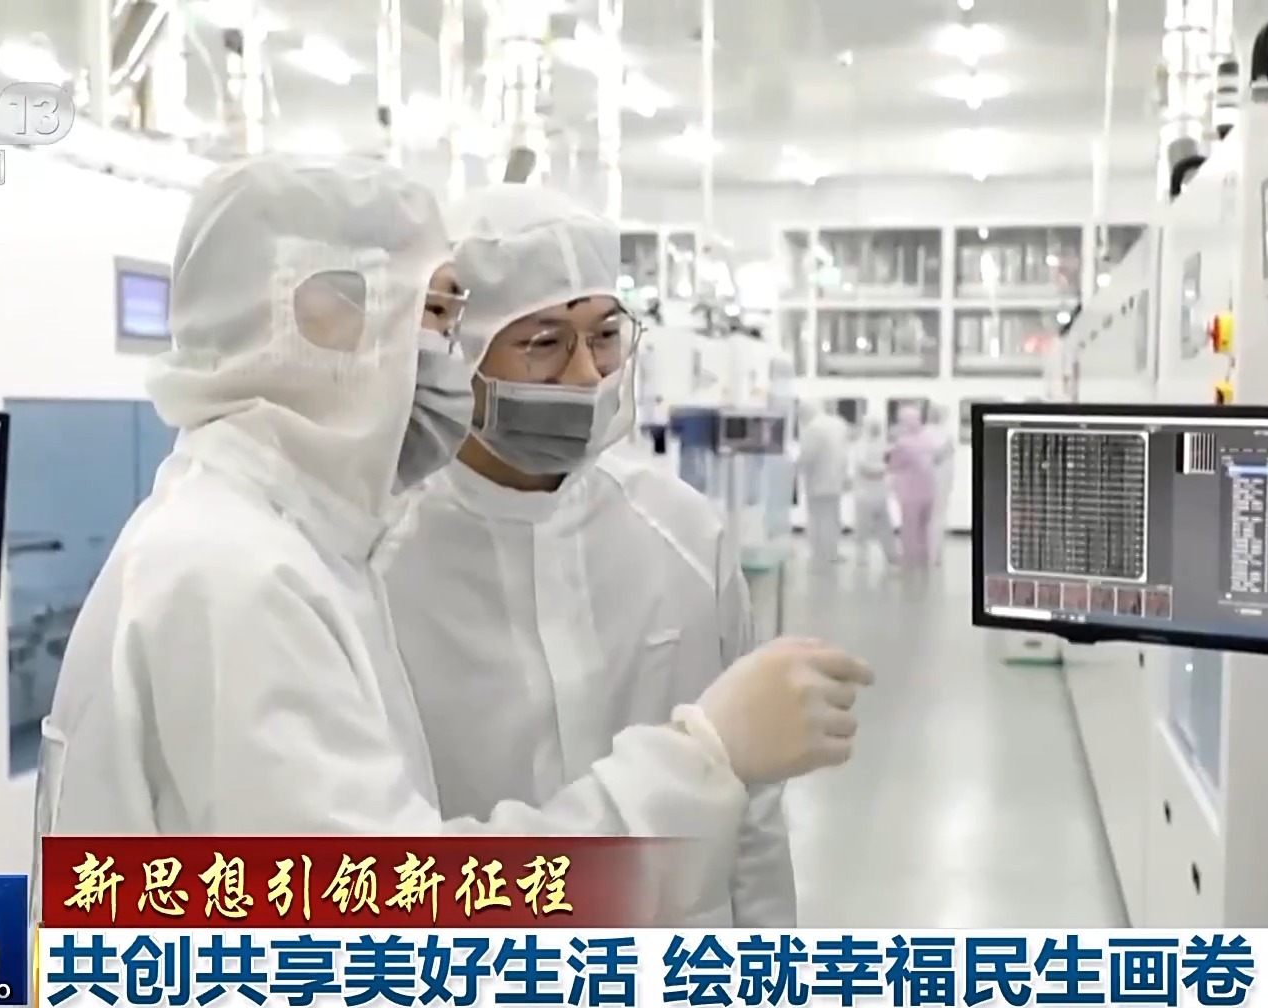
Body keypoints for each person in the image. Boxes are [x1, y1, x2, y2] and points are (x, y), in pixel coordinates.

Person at [29, 157, 875, 916]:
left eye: (606, 336)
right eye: (435, 315)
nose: (443, 358)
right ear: (326, 322)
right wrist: (705, 757)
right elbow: (392, 910)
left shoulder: (295, 546)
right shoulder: (239, 576)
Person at [376, 183, 799, 926]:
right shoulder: (383, 564)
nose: (584, 375)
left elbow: (752, 808)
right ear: (461, 352)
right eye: (543, 343)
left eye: (604, 336)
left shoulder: (683, 534)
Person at [797, 403, 851, 564]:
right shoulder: (839, 424)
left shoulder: (813, 428)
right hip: (836, 480)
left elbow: (808, 455)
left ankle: (819, 553)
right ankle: (832, 552)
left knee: (817, 518)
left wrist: (796, 467)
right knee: (833, 518)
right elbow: (844, 453)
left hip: (818, 481)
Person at [887, 404, 939, 568]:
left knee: (909, 528)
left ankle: (910, 559)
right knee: (924, 527)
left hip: (909, 493)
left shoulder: (903, 443)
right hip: (928, 491)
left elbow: (893, 465)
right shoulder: (927, 439)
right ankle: (925, 557)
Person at [850, 417, 899, 565]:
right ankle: (861, 558)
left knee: (885, 527)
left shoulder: (883, 445)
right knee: (862, 529)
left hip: (879, 494)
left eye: (878, 426)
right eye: (873, 426)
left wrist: (884, 470)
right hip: (863, 494)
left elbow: (891, 462)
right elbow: (864, 467)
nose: (876, 429)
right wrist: (882, 470)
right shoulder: (861, 445)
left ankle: (892, 555)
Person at [927, 405, 958, 566]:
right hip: (941, 481)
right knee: (938, 517)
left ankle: (930, 553)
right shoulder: (945, 434)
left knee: (930, 518)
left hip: (929, 481)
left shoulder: (925, 433)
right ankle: (935, 553)